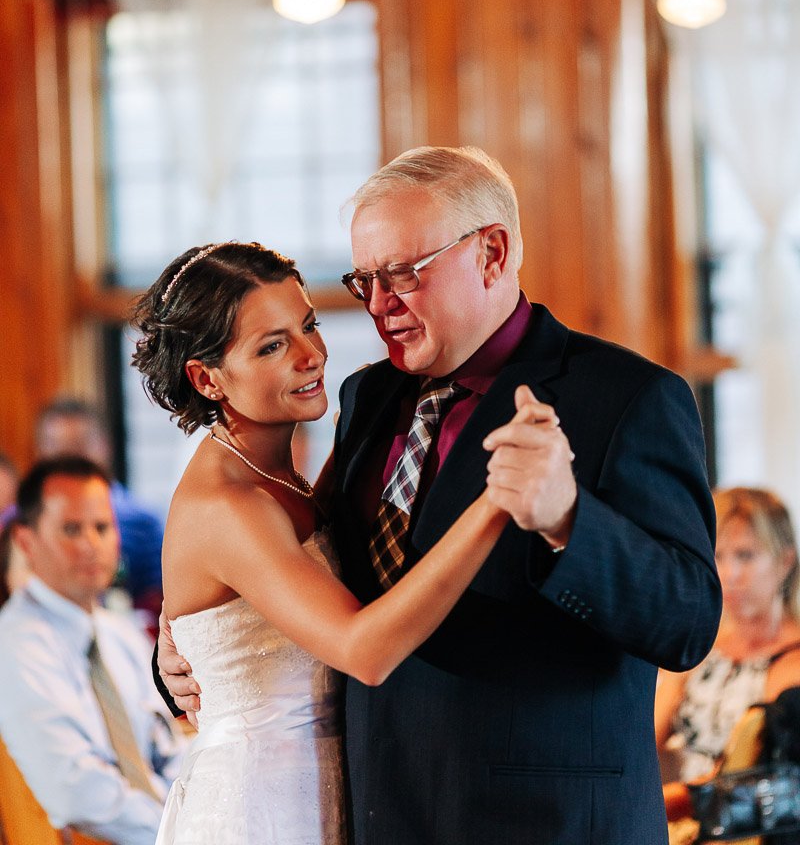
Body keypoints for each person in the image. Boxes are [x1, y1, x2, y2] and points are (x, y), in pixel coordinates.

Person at [160, 146, 722, 845]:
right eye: (364, 280)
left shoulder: (625, 397)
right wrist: (187, 636)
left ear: (491, 252)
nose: (378, 306)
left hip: (550, 826)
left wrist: (570, 522)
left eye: (403, 275)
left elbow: (689, 622)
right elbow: (309, 576)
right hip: (372, 817)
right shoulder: (368, 397)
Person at [130, 240, 514, 845]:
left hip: (328, 796)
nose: (312, 356)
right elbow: (362, 649)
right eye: (272, 346)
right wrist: (497, 503)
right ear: (206, 379)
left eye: (307, 325)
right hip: (258, 813)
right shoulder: (230, 505)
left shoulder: (287, 479)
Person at [0, 456, 183, 845]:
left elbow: (169, 748)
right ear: (25, 541)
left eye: (102, 527)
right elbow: (75, 790)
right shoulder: (15, 643)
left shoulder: (121, 633)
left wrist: (204, 813)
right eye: (71, 529)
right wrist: (178, 832)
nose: (90, 544)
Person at [656, 486, 800, 821]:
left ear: (785, 561)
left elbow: (777, 782)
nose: (729, 575)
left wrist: (673, 802)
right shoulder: (701, 648)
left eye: (745, 556)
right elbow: (644, 739)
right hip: (682, 827)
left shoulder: (793, 659)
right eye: (718, 556)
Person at [36, 397, 165, 620]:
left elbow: (158, 602)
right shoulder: (19, 521)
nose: (68, 459)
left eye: (78, 445)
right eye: (56, 446)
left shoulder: (141, 522)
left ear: (104, 446)